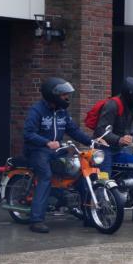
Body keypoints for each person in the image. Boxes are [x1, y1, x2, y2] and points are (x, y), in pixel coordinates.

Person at [22, 77, 99, 233]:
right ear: (53, 95)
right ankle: (36, 220)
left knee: (80, 174)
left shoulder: (62, 112)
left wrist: (92, 142)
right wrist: (46, 142)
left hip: (57, 150)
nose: (67, 97)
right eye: (64, 94)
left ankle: (88, 215)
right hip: (38, 150)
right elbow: (28, 133)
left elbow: (74, 131)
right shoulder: (37, 111)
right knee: (45, 177)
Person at [94, 77, 133, 172]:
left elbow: (129, 130)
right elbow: (100, 130)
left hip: (120, 149)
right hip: (105, 149)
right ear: (130, 94)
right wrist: (119, 139)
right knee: (106, 179)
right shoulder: (112, 105)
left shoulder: (131, 108)